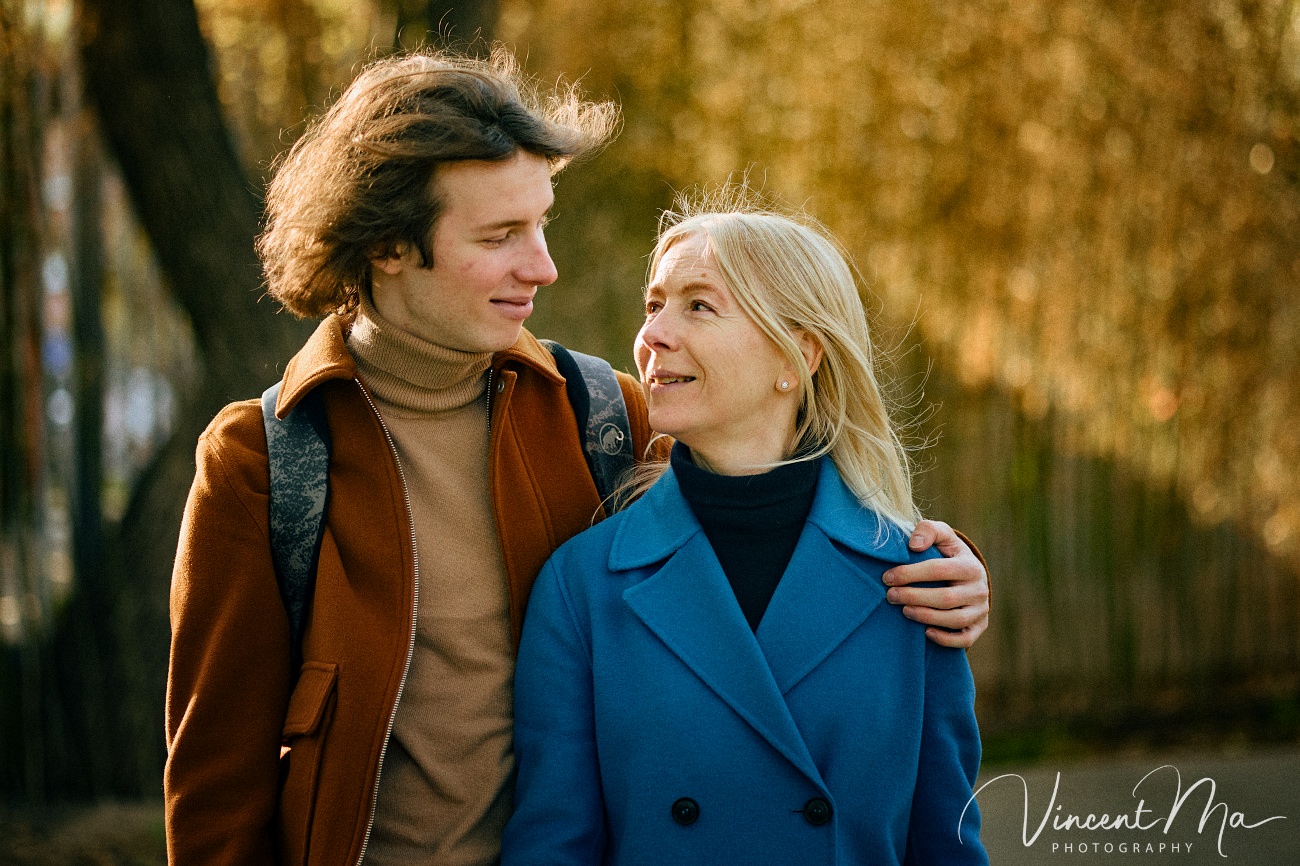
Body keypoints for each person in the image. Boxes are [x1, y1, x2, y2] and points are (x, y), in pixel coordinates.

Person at [165, 48, 990, 866]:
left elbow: (773, 523)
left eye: (542, 223)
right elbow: (215, 795)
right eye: (500, 235)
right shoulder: (266, 463)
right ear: (388, 246)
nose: (543, 266)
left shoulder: (604, 414)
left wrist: (949, 573)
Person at [502, 194, 988, 865]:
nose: (653, 335)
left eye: (699, 305)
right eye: (654, 305)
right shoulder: (581, 585)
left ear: (798, 356)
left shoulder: (915, 579)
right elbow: (552, 849)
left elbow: (948, 846)